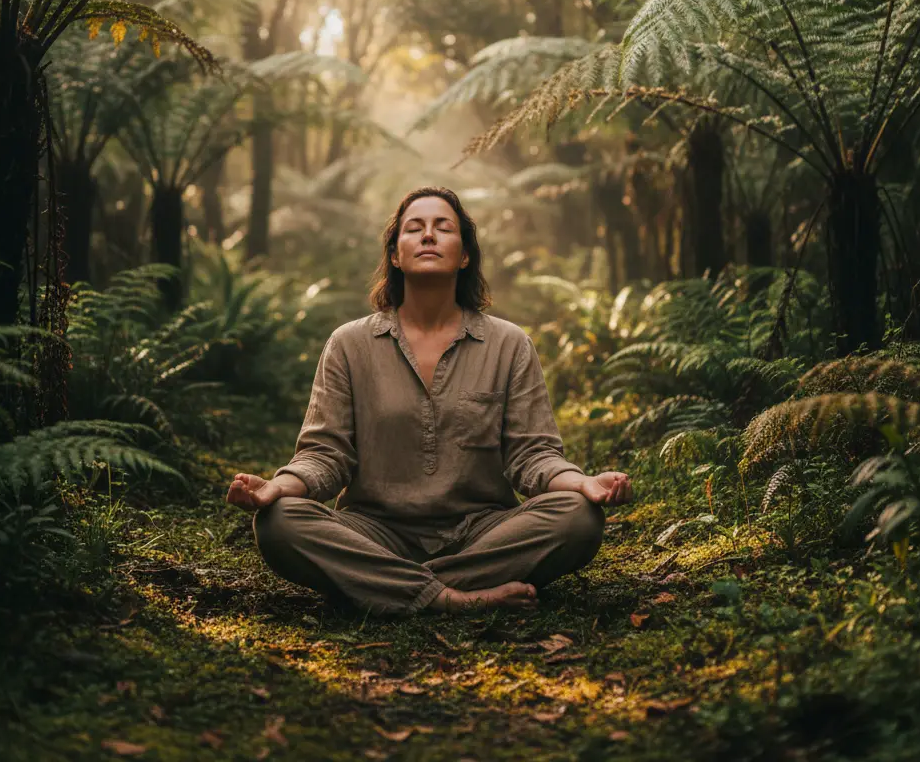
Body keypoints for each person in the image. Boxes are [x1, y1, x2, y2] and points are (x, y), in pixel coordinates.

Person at [226, 186, 633, 616]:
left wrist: (583, 483)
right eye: (414, 228)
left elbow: (533, 456)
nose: (428, 235)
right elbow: (326, 455)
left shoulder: (509, 344)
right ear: (395, 255)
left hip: (483, 533)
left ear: (465, 255)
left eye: (443, 227)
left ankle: (381, 585)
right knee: (279, 521)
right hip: (373, 533)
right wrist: (278, 487)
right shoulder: (348, 344)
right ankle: (453, 597)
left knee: (579, 516)